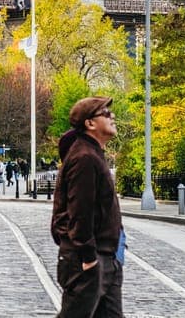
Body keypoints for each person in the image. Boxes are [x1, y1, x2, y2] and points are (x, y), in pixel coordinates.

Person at [51, 96, 123, 318]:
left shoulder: (93, 154)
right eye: (105, 113)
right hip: (88, 260)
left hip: (105, 257)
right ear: (90, 124)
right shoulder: (84, 157)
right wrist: (89, 258)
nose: (112, 116)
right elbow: (80, 213)